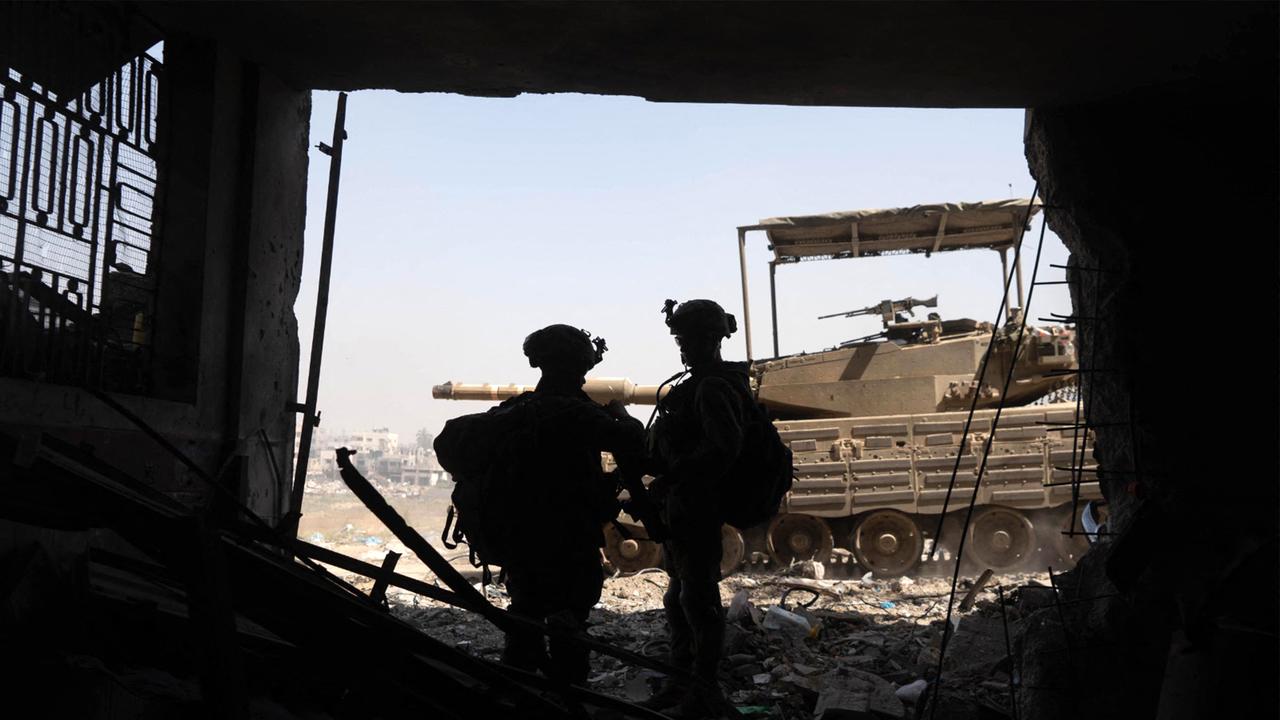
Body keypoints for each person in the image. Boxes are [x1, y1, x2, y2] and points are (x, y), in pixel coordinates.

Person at [497, 324, 646, 685]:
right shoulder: (577, 413)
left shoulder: (516, 410)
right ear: (577, 365)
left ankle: (518, 695)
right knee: (569, 629)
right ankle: (568, 697)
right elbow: (633, 440)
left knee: (524, 622)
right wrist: (620, 415)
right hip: (570, 540)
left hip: (524, 538)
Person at [644, 299, 751, 718]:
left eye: (687, 338)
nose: (682, 347)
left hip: (699, 506)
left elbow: (724, 447)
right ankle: (681, 680)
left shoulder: (713, 386)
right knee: (677, 596)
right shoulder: (697, 385)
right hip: (683, 506)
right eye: (679, 339)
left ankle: (704, 689)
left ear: (710, 338)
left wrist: (674, 476)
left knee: (698, 599)